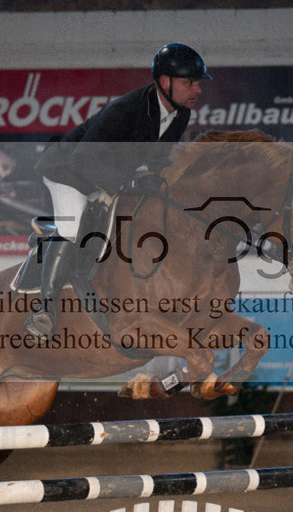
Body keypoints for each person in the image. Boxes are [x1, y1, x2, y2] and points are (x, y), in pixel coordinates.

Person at [17, 43, 212, 338]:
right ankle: (44, 311)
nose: (197, 90)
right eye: (189, 83)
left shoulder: (179, 113)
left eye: (197, 83)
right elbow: (81, 158)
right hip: (67, 170)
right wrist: (128, 182)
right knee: (71, 229)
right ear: (164, 82)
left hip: (105, 174)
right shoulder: (126, 109)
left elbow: (158, 160)